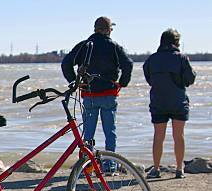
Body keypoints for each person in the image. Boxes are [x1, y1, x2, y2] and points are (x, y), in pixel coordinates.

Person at [62, 16, 133, 173]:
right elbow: (128, 64)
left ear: (95, 29)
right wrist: (122, 83)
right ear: (108, 30)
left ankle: (87, 167)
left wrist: (74, 81)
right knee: (110, 132)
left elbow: (66, 63)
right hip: (109, 93)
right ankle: (109, 166)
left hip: (89, 94)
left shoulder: (85, 45)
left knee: (88, 132)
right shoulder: (113, 46)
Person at [143, 29, 196, 179]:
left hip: (158, 101)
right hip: (178, 101)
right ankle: (179, 169)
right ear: (177, 42)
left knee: (158, 136)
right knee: (178, 136)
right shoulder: (181, 58)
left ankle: (156, 169)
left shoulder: (152, 59)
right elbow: (190, 80)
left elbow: (149, 79)